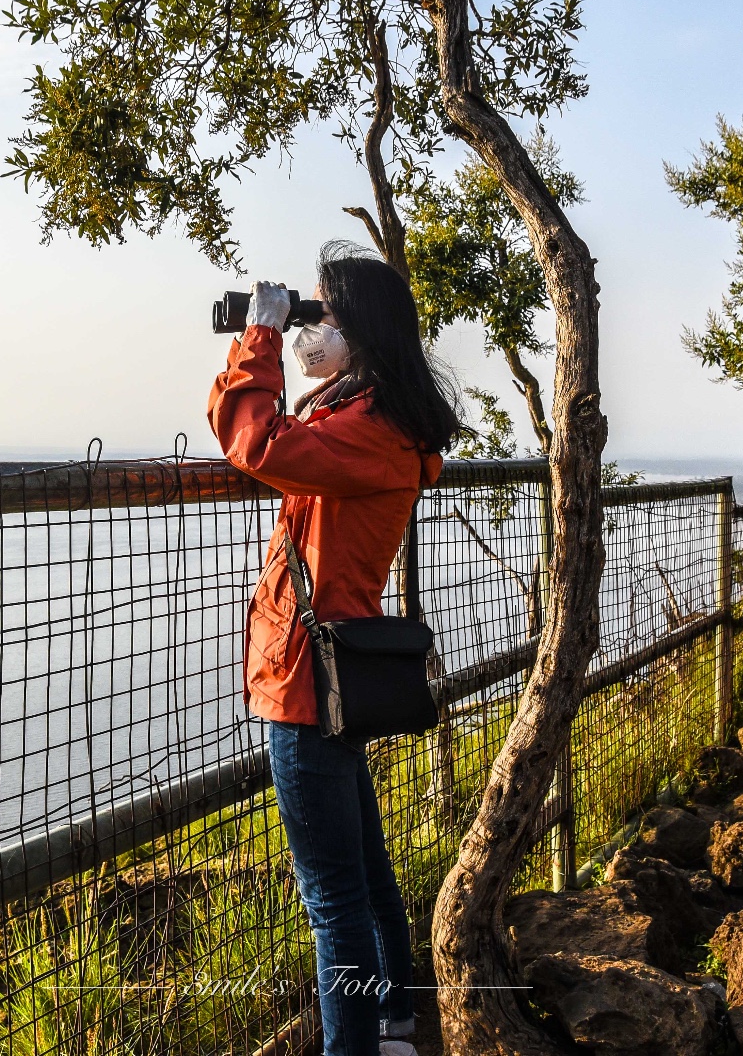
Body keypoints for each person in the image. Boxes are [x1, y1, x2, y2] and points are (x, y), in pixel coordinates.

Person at [206, 242, 462, 1056]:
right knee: (368, 879)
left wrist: (262, 338)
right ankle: (393, 1028)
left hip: (308, 683)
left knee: (332, 903)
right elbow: (285, 432)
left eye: (324, 315)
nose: (312, 330)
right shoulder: (375, 417)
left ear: (365, 332)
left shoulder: (369, 431)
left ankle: (353, 1045)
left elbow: (257, 443)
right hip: (333, 672)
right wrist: (270, 335)